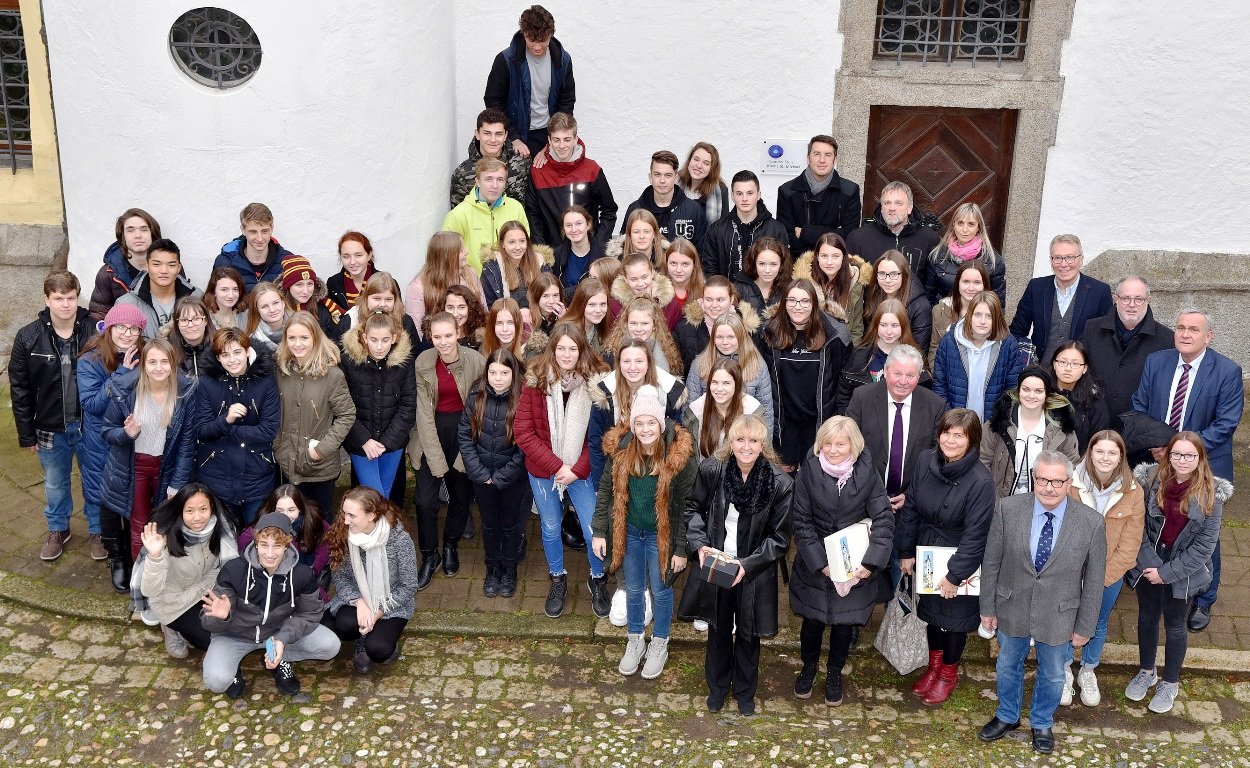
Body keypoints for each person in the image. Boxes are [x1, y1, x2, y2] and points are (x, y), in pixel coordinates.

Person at [977, 452, 1106, 755]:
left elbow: (1094, 580)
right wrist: (987, 608)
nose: (1049, 487)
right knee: (1007, 664)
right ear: (1034, 478)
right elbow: (991, 562)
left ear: (1069, 482)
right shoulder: (1007, 508)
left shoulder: (1091, 523)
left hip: (1059, 613)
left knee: (1053, 672)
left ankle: (1042, 721)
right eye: (1043, 479)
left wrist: (1085, 626)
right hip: (1012, 605)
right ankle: (1007, 715)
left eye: (1057, 481)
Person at [1131, 308, 1243, 632]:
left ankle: (1204, 597)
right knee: (1158, 522)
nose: (1185, 334)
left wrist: (1179, 451)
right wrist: (1157, 445)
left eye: (1194, 329)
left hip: (1205, 465)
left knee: (1203, 533)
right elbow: (1139, 406)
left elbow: (1225, 424)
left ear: (1208, 336)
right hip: (1159, 461)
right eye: (1180, 327)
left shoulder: (1227, 371)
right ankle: (1157, 576)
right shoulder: (1157, 362)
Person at [680, 413, 793, 716]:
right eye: (740, 439)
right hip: (718, 563)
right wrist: (699, 544)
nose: (746, 446)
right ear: (730, 442)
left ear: (762, 445)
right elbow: (693, 508)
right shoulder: (712, 470)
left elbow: (780, 538)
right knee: (717, 628)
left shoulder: (779, 483)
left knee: (748, 632)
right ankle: (717, 688)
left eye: (753, 440)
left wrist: (749, 564)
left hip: (753, 569)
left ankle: (745, 691)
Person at [593, 386, 698, 679]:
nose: (645, 429)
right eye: (639, 423)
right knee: (634, 588)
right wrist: (600, 530)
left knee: (661, 589)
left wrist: (680, 548)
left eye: (651, 422)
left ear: (661, 423)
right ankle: (635, 638)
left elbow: (686, 507)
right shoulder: (622, 452)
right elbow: (606, 491)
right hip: (630, 533)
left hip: (660, 537)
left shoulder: (679, 459)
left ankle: (660, 641)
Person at [788, 416, 893, 706]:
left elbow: (883, 518)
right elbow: (801, 520)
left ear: (853, 446)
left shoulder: (867, 472)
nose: (833, 450)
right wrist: (820, 562)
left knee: (844, 624)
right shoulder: (808, 470)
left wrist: (870, 562)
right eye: (828, 444)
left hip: (853, 564)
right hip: (816, 563)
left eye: (840, 444)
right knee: (812, 622)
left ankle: (834, 672)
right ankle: (809, 667)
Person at [897, 409, 996, 705]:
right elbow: (911, 508)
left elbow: (976, 534)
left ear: (972, 440)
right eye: (946, 433)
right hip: (928, 552)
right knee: (931, 615)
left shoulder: (981, 481)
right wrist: (906, 551)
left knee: (953, 621)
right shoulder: (925, 461)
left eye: (958, 436)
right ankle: (934, 667)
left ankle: (948, 674)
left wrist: (955, 575)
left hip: (960, 556)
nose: (950, 441)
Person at [1124, 432, 1228, 714]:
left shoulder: (1212, 495)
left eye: (1189, 455)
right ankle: (1147, 671)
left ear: (1200, 458)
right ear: (1168, 455)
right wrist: (1151, 565)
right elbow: (1137, 526)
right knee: (1147, 616)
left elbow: (1204, 547)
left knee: (1175, 624)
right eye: (1177, 454)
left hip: (1184, 569)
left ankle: (1170, 682)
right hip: (1149, 561)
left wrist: (1167, 573)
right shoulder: (1150, 480)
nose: (1182, 460)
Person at [516, 321, 610, 618]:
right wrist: (558, 466)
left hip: (582, 470)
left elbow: (600, 437)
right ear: (552, 350)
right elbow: (524, 433)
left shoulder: (597, 385)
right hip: (545, 469)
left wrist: (576, 470)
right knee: (550, 526)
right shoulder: (536, 381)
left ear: (582, 350)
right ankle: (557, 578)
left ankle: (598, 578)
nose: (567, 354)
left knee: (593, 528)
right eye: (561, 348)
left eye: (573, 349)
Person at [201, 512, 340, 698]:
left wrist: (282, 638)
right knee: (216, 682)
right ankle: (232, 668)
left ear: (287, 545)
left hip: (276, 633)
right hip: (235, 635)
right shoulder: (233, 570)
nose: (269, 553)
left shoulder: (301, 575)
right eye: (264, 544)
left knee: (330, 646)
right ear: (256, 543)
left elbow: (310, 614)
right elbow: (207, 623)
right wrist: (222, 617)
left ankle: (279, 656)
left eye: (277, 546)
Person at [1063, 431, 1144, 707]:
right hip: (1069, 571)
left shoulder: (1133, 492)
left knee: (1097, 622)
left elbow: (1131, 544)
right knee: (1065, 618)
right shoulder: (1070, 483)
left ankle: (1088, 670)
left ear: (1121, 457)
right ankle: (1063, 669)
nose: (1105, 458)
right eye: (1100, 451)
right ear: (1090, 452)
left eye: (1112, 453)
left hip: (1109, 574)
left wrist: (1102, 578)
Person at [101, 338, 197, 562]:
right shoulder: (126, 391)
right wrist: (127, 434)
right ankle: (140, 574)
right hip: (136, 466)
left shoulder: (185, 392)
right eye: (152, 362)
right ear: (143, 364)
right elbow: (107, 431)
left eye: (164, 361)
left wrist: (177, 482)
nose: (158, 368)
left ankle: (164, 572)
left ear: (173, 363)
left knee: (166, 523)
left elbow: (187, 443)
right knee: (139, 525)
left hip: (166, 466)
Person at [409, 312, 485, 589]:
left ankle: (451, 543)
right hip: (430, 432)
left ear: (459, 333)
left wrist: (466, 452)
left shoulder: (476, 361)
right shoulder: (423, 361)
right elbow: (423, 415)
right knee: (425, 501)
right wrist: (438, 463)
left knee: (461, 496)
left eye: (448, 335)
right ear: (430, 336)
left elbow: (480, 410)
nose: (443, 342)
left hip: (465, 433)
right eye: (437, 336)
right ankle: (430, 555)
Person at [322, 486, 419, 674]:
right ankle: (362, 637)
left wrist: (377, 613)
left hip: (391, 603)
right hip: (357, 599)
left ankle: (375, 636)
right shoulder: (344, 533)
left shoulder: (399, 540)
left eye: (352, 515)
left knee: (379, 650)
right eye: (344, 513)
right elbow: (340, 576)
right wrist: (359, 602)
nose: (345, 520)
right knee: (343, 626)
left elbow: (408, 586)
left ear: (371, 515)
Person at [78, 305, 145, 571]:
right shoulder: (90, 361)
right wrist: (122, 374)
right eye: (121, 327)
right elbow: (92, 404)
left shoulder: (146, 355)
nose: (127, 333)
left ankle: (132, 553)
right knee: (106, 500)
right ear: (108, 328)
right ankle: (116, 559)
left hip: (136, 440)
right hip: (102, 444)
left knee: (134, 498)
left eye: (133, 329)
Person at [459, 349, 531, 598]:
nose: (498, 378)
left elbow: (525, 445)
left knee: (510, 526)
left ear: (514, 374)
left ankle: (509, 569)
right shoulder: (476, 396)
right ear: (486, 373)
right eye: (493, 373)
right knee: (489, 526)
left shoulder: (523, 400)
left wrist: (502, 476)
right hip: (482, 478)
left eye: (504, 373)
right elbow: (464, 436)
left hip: (512, 479)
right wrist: (480, 473)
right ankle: (492, 569)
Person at [758, 279, 849, 471]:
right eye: (792, 300)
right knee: (784, 478)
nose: (798, 306)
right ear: (784, 303)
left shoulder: (833, 336)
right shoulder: (769, 333)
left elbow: (841, 381)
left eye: (805, 301)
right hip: (784, 424)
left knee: (814, 475)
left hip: (818, 422)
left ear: (814, 304)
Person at [194, 328, 280, 529]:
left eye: (237, 352)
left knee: (257, 533)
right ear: (218, 358)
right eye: (225, 355)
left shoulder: (266, 380)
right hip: (217, 476)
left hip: (257, 475)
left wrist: (228, 430)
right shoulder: (207, 383)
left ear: (247, 351)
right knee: (224, 537)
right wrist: (226, 419)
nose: (232, 360)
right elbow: (202, 431)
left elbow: (268, 431)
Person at [139, 484, 238, 658]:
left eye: (203, 509)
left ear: (211, 507)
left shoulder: (221, 528)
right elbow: (150, 591)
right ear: (180, 511)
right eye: (190, 511)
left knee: (231, 632)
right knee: (215, 642)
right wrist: (155, 556)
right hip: (173, 603)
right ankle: (173, 628)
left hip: (205, 591)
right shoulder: (164, 536)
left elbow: (223, 569)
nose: (197, 517)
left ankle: (188, 632)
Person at [846, 345, 946, 516]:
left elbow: (937, 457)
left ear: (919, 376)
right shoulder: (862, 398)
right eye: (897, 373)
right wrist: (871, 494)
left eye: (910, 375)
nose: (903, 381)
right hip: (864, 500)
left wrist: (911, 494)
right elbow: (849, 448)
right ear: (885, 371)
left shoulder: (935, 405)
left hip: (913, 504)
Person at [274, 312, 355, 518]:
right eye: (292, 338)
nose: (297, 344)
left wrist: (321, 450)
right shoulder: (280, 370)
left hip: (318, 466)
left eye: (304, 337)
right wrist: (277, 445)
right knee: (289, 520)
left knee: (318, 521)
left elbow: (346, 415)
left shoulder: (332, 375)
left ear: (315, 338)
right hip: (285, 461)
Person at [1078, 275, 1173, 432]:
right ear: (1115, 299)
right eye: (1125, 298)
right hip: (1094, 424)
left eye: (1139, 299)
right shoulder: (1092, 329)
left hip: (1138, 431)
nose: (1132, 304)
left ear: (1148, 300)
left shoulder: (1166, 339)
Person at [588, 338, 686, 490]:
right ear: (619, 364)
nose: (632, 367)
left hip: (656, 469)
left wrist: (669, 482)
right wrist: (600, 485)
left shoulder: (667, 393)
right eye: (626, 361)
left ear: (649, 363)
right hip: (616, 471)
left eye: (639, 361)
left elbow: (676, 440)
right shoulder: (605, 395)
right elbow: (595, 441)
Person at [340, 312, 416, 498]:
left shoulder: (405, 363)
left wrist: (387, 442)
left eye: (385, 340)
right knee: (374, 495)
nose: (379, 346)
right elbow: (342, 406)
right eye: (374, 340)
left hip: (392, 443)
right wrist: (364, 440)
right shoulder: (349, 362)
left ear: (394, 338)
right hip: (361, 445)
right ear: (364, 338)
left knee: (384, 496)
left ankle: (387, 520)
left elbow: (408, 405)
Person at [483, 4, 575, 157]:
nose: (537, 47)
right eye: (531, 40)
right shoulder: (506, 60)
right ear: (524, 33)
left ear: (551, 34)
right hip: (516, 133)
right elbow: (493, 102)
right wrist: (513, 137)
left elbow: (567, 101)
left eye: (543, 40)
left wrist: (554, 140)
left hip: (549, 133)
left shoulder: (563, 60)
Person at [1009, 233, 1113, 365]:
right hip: (1040, 371)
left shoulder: (1100, 292)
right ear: (1051, 261)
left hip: (1079, 373)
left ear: (1081, 260)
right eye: (1057, 258)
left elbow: (1106, 339)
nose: (1063, 264)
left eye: (1070, 257)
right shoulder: (1036, 288)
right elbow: (1017, 331)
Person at [981, 366, 1080, 499]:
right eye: (1026, 389)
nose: (1031, 396)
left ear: (1047, 394)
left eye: (1038, 391)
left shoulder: (1062, 427)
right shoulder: (998, 423)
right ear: (1019, 391)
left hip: (1045, 499)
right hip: (1000, 499)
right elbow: (983, 462)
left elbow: (1070, 465)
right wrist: (990, 496)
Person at [932, 291, 1025, 423]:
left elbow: (1012, 389)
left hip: (992, 425)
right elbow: (940, 385)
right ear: (969, 315)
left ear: (997, 318)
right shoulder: (949, 341)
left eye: (989, 316)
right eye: (977, 315)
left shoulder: (1008, 345)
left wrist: (997, 422)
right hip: (955, 423)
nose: (983, 321)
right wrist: (951, 419)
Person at [525, 112, 616, 247]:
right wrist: (542, 250)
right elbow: (532, 214)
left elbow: (609, 210)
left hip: (587, 251)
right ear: (549, 140)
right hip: (552, 252)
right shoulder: (538, 172)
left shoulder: (592, 169)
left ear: (575, 139)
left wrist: (598, 244)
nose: (562, 146)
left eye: (567, 139)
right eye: (556, 140)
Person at [238, 484, 331, 600]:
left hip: (303, 578)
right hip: (267, 582)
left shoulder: (312, 520)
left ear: (300, 508)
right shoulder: (257, 529)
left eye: (291, 510)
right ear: (271, 509)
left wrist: (312, 569)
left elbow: (326, 542)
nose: (286, 515)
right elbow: (246, 551)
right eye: (279, 511)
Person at [685, 312, 773, 434]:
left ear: (741, 336)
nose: (725, 342)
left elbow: (766, 410)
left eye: (731, 337)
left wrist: (765, 442)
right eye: (719, 337)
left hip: (745, 435)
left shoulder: (757, 364)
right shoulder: (700, 364)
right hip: (710, 434)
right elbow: (690, 408)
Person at [442, 157, 530, 275]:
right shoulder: (458, 214)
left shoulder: (516, 208)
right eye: (488, 179)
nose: (495, 185)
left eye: (500, 179)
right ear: (477, 181)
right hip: (473, 282)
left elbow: (525, 246)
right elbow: (448, 256)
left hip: (511, 280)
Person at [777, 134, 862, 253]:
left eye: (828, 155)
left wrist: (805, 232)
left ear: (835, 160)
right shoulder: (787, 191)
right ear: (808, 158)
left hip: (834, 259)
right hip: (798, 260)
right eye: (816, 154)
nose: (822, 160)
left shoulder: (850, 191)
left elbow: (849, 235)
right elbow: (785, 235)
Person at [838, 299, 925, 414]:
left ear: (903, 326)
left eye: (894, 325)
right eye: (883, 325)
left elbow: (922, 399)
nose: (889, 331)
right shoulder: (859, 355)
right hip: (865, 419)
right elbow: (844, 395)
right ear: (876, 325)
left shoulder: (914, 357)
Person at [845, 181, 939, 287]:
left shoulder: (929, 238)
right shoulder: (858, 238)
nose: (891, 208)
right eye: (887, 203)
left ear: (909, 208)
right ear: (881, 208)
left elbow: (932, 284)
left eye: (898, 203)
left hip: (914, 297)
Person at [701, 170, 788, 281]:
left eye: (750, 193)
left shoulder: (776, 230)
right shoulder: (716, 230)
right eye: (739, 193)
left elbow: (783, 269)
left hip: (764, 292)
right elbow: (710, 270)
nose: (744, 199)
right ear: (732, 196)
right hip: (727, 291)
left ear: (758, 195)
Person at [792, 232, 871, 345]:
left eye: (835, 256)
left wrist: (852, 352)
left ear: (843, 257)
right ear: (817, 257)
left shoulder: (855, 281)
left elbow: (856, 329)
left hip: (843, 345)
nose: (829, 262)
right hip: (812, 345)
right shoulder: (804, 284)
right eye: (824, 256)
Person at [115, 238, 201, 339]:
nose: (164, 271)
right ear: (147, 266)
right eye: (156, 264)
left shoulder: (197, 297)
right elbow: (118, 343)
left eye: (171, 265)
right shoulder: (127, 303)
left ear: (179, 268)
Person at [922, 202, 1006, 306]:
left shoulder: (993, 261)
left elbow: (998, 302)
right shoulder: (937, 256)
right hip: (945, 314)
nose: (964, 229)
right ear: (954, 225)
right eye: (960, 223)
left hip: (977, 315)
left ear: (978, 227)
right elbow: (928, 296)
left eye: (971, 224)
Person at [621, 150, 707, 250]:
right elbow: (624, 249)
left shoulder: (693, 210)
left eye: (668, 175)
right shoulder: (635, 209)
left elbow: (701, 252)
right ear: (650, 177)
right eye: (657, 174)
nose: (662, 180)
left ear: (676, 178)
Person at [405, 232, 485, 338]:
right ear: (449, 257)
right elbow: (417, 333)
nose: (466, 252)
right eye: (461, 250)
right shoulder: (418, 289)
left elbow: (483, 313)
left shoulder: (470, 275)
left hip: (471, 341)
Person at [684, 358, 764, 460]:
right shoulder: (696, 411)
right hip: (705, 468)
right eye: (714, 382)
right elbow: (690, 458)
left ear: (737, 384)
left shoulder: (752, 411)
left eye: (726, 383)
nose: (719, 389)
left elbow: (763, 453)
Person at [90, 207, 160, 321]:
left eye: (144, 229)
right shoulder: (108, 274)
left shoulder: (170, 267)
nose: (138, 235)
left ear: (153, 233)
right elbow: (99, 316)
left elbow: (181, 308)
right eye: (130, 230)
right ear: (123, 236)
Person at [451, 107, 531, 208]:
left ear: (505, 135)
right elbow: (459, 213)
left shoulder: (522, 162)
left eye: (498, 134)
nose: (493, 140)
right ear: (477, 134)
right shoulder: (462, 174)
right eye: (487, 133)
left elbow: (532, 206)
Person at [861, 250, 931, 357]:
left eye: (894, 274)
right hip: (875, 355)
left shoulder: (920, 307)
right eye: (882, 274)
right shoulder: (874, 294)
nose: (888, 280)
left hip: (904, 360)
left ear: (904, 274)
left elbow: (919, 350)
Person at [213, 202, 295, 292]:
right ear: (243, 230)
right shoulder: (224, 262)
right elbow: (213, 297)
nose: (260, 238)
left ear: (272, 229)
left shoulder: (289, 262)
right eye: (253, 231)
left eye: (264, 231)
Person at [480, 220, 553, 319]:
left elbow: (551, 298)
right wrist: (517, 314)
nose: (518, 247)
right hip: (507, 323)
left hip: (538, 321)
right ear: (502, 244)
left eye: (522, 241)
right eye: (512, 242)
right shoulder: (492, 269)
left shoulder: (541, 263)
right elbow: (490, 306)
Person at [1047, 341, 1109, 454]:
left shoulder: (1094, 401)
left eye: (1075, 364)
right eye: (1063, 362)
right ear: (1054, 364)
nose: (1068, 368)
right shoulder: (1042, 393)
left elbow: (1098, 441)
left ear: (1084, 368)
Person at [927, 260, 989, 370]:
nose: (971, 288)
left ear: (984, 285)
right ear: (958, 283)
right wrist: (938, 377)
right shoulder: (940, 311)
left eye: (977, 282)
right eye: (966, 282)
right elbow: (935, 348)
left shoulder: (992, 313)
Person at [278, 255, 348, 344]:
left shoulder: (323, 310)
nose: (306, 291)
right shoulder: (278, 310)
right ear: (288, 287)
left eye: (310, 284)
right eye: (299, 285)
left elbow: (334, 343)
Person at [351, 271, 422, 355]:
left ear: (395, 300)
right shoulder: (352, 319)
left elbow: (415, 354)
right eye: (377, 298)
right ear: (366, 298)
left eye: (388, 299)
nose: (382, 304)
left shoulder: (406, 322)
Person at [608, 253, 680, 331]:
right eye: (634, 279)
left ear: (652, 273)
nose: (641, 284)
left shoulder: (671, 303)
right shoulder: (616, 305)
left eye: (644, 277)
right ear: (626, 279)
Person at [552, 205, 605, 296]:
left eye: (578, 223)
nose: (574, 229)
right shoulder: (556, 256)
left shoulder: (604, 254)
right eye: (568, 225)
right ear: (564, 229)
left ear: (588, 225)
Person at [734, 237, 792, 320]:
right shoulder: (739, 288)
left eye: (773, 264)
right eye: (762, 264)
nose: (767, 270)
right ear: (754, 263)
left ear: (781, 265)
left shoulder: (790, 289)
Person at [161, 296, 217, 379]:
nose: (190, 325)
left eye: (196, 319)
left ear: (205, 321)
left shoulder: (220, 347)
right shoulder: (165, 350)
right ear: (177, 324)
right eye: (184, 320)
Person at [678, 142, 730, 225]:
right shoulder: (674, 182)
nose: (699, 166)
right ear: (689, 161)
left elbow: (724, 227)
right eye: (696, 159)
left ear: (712, 168)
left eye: (706, 163)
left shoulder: (720, 191)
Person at [561, 276, 612, 361]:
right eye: (592, 305)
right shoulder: (566, 332)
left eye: (603, 304)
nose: (598, 310)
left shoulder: (599, 328)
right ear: (580, 304)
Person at [326, 231, 377, 313]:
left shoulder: (385, 282)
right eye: (346, 256)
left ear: (369, 255)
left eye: (358, 255)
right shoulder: (333, 284)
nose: (352, 262)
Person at [660, 237, 704, 315]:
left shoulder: (705, 292)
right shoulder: (655, 291)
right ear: (666, 263)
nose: (678, 270)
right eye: (673, 263)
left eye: (685, 264)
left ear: (694, 265)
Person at [244, 281, 290, 355]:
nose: (272, 310)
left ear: (283, 303)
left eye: (275, 303)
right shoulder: (251, 340)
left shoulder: (299, 326)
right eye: (264, 306)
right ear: (257, 310)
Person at [442, 284, 490, 351]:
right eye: (450, 308)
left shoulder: (481, 338)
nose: (455, 314)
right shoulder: (433, 335)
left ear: (470, 308)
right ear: (443, 308)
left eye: (461, 307)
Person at [204, 267, 249, 331]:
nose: (231, 295)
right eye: (224, 289)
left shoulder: (247, 315)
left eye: (235, 289)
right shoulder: (204, 318)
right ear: (213, 292)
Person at [526, 272, 566, 339]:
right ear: (536, 296)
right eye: (545, 296)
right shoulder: (527, 318)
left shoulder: (567, 315)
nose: (551, 301)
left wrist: (564, 322)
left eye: (555, 295)